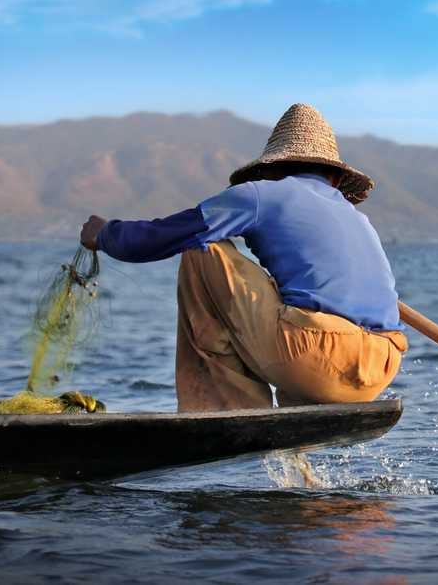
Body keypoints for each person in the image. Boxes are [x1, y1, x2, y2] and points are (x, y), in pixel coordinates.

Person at [79, 103, 407, 412]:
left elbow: (157, 239)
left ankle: (227, 406)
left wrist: (105, 233)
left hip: (313, 357)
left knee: (202, 249)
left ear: (270, 170)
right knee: (289, 298)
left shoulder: (260, 194)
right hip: (380, 365)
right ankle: (297, 455)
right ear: (335, 179)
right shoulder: (357, 219)